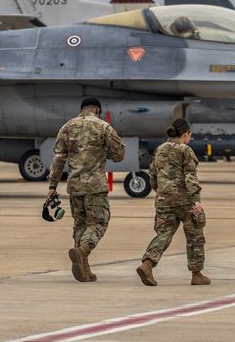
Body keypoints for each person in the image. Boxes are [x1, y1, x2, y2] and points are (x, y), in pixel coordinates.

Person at [46, 97, 126, 282]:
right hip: (95, 186)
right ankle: (82, 251)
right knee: (99, 222)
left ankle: (84, 269)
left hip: (74, 186)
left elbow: (58, 159)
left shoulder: (67, 127)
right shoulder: (103, 127)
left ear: (81, 109)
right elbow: (119, 155)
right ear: (97, 110)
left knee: (80, 225)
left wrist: (52, 186)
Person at [137, 118, 210, 286]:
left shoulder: (159, 149)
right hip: (184, 200)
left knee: (164, 235)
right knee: (195, 234)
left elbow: (153, 176)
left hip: (163, 199)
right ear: (186, 134)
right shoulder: (185, 150)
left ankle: (147, 264)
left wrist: (162, 192)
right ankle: (197, 274)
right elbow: (190, 177)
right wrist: (196, 200)